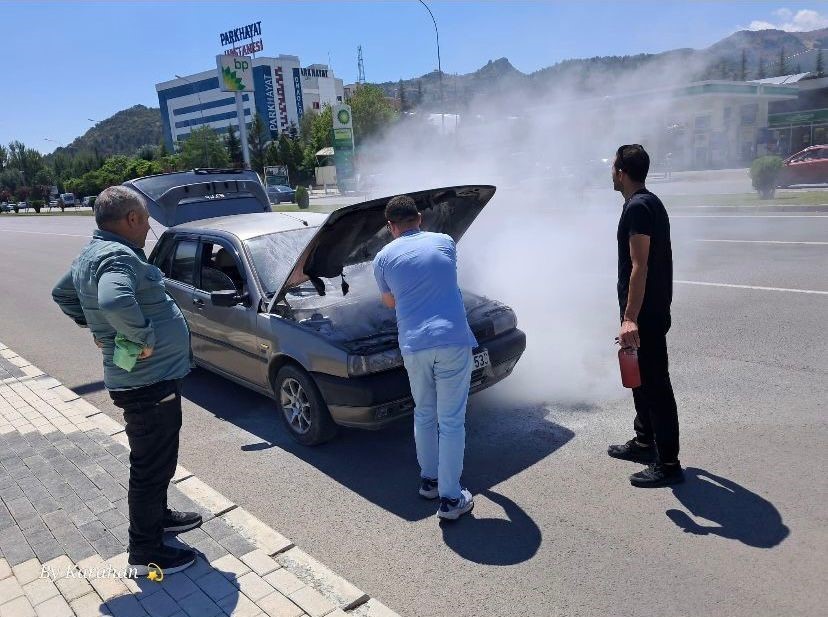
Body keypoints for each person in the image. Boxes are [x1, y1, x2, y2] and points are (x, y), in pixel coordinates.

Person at [52, 185, 200, 574]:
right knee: (151, 466)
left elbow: (62, 293)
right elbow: (114, 301)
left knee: (159, 459)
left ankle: (159, 518)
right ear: (131, 220)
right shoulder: (117, 256)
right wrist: (141, 337)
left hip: (146, 380)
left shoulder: (92, 254)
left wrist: (95, 327)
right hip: (147, 383)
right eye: (147, 221)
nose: (148, 228)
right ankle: (147, 551)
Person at [373, 195, 477, 520]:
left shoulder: (382, 258)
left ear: (391, 227)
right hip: (451, 340)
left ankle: (429, 482)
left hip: (414, 345)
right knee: (451, 421)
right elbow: (445, 280)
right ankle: (450, 498)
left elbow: (389, 303)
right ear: (419, 217)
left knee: (423, 414)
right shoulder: (445, 242)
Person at [607, 144, 684, 488]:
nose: (611, 173)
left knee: (655, 385)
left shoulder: (638, 207)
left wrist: (630, 318)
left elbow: (640, 265)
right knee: (638, 377)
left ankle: (668, 462)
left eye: (613, 168)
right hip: (647, 309)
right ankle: (643, 442)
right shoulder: (648, 202)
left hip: (645, 314)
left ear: (622, 172)